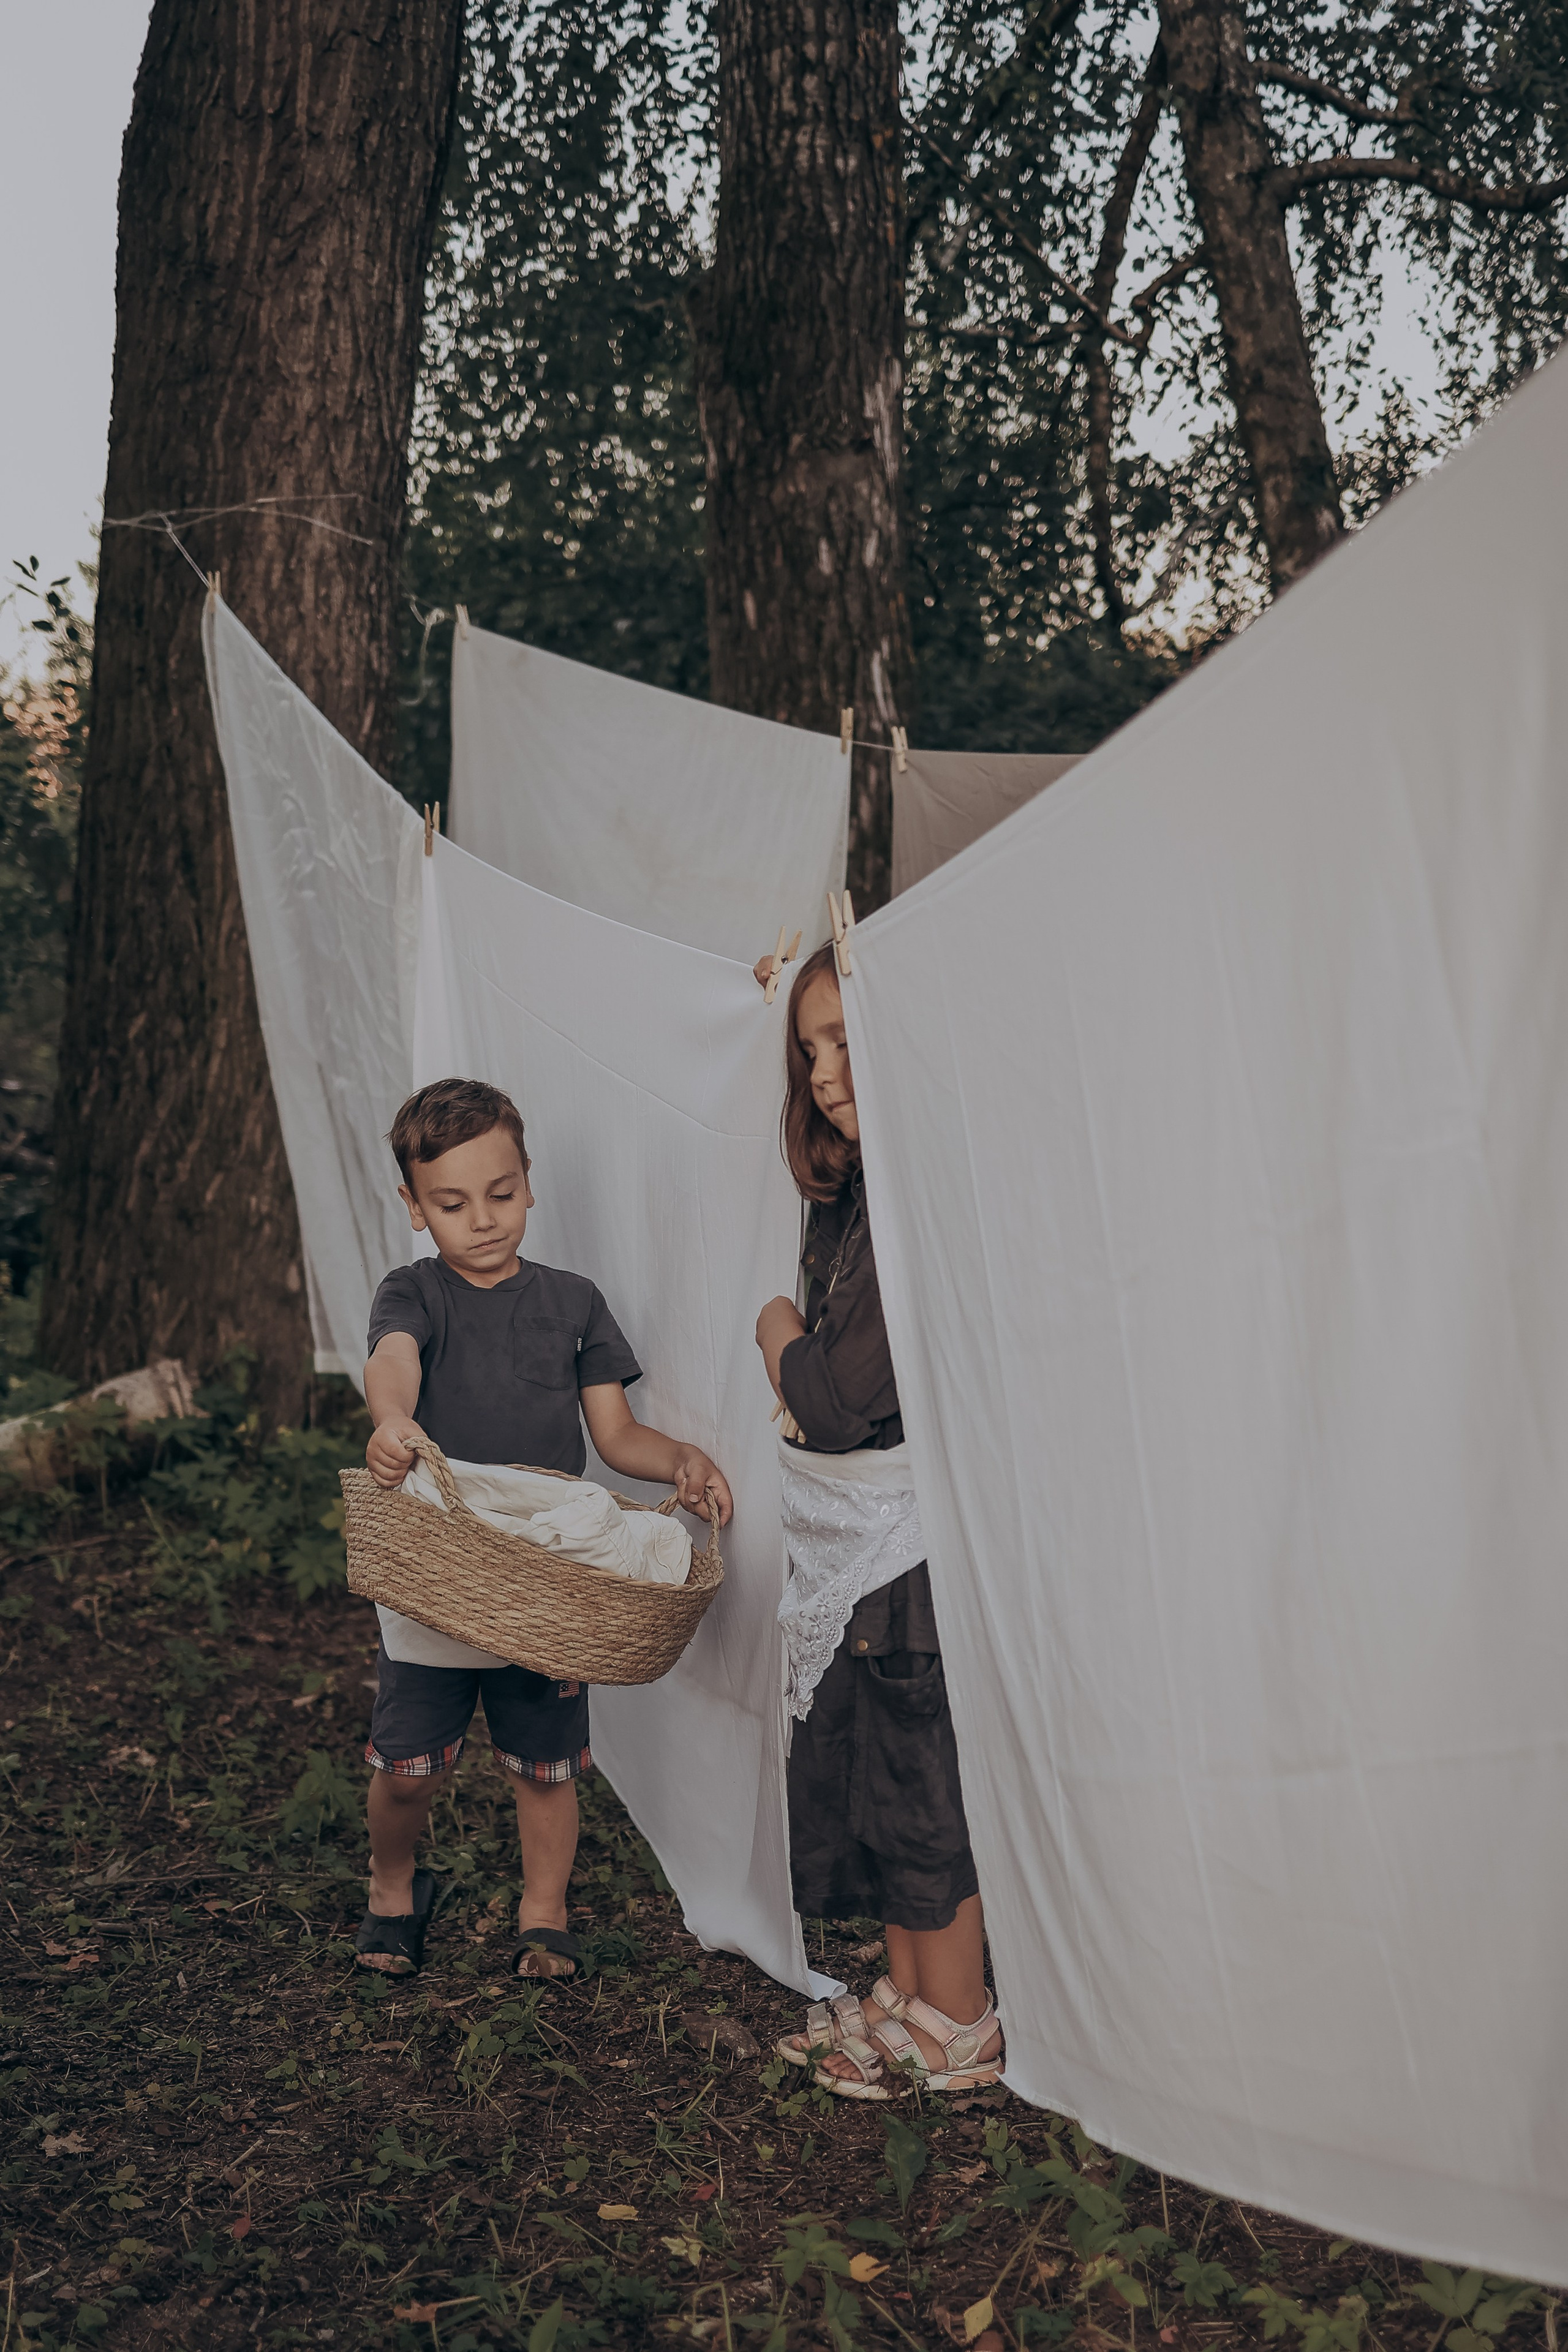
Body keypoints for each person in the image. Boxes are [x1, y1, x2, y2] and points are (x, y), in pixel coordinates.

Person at [356, 1077, 733, 1981]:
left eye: (501, 1192)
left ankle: (544, 1912)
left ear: (529, 1181)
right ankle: (393, 1882)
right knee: (409, 1767)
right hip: (443, 1564)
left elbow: (614, 1435)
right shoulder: (414, 1292)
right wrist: (390, 1421)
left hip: (547, 1577)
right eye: (451, 1203)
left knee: (544, 1766)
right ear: (413, 1206)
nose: (482, 1220)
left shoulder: (572, 1302)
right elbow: (391, 1360)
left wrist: (678, 1455)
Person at [754, 943, 1002, 2099]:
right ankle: (907, 1994)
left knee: (922, 1773)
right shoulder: (858, 1193)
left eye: (847, 1040)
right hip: (862, 1546)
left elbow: (838, 1402)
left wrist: (773, 1334)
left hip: (911, 1546)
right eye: (810, 1050)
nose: (826, 1072)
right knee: (877, 1766)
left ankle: (960, 2015)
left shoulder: (922, 1206)